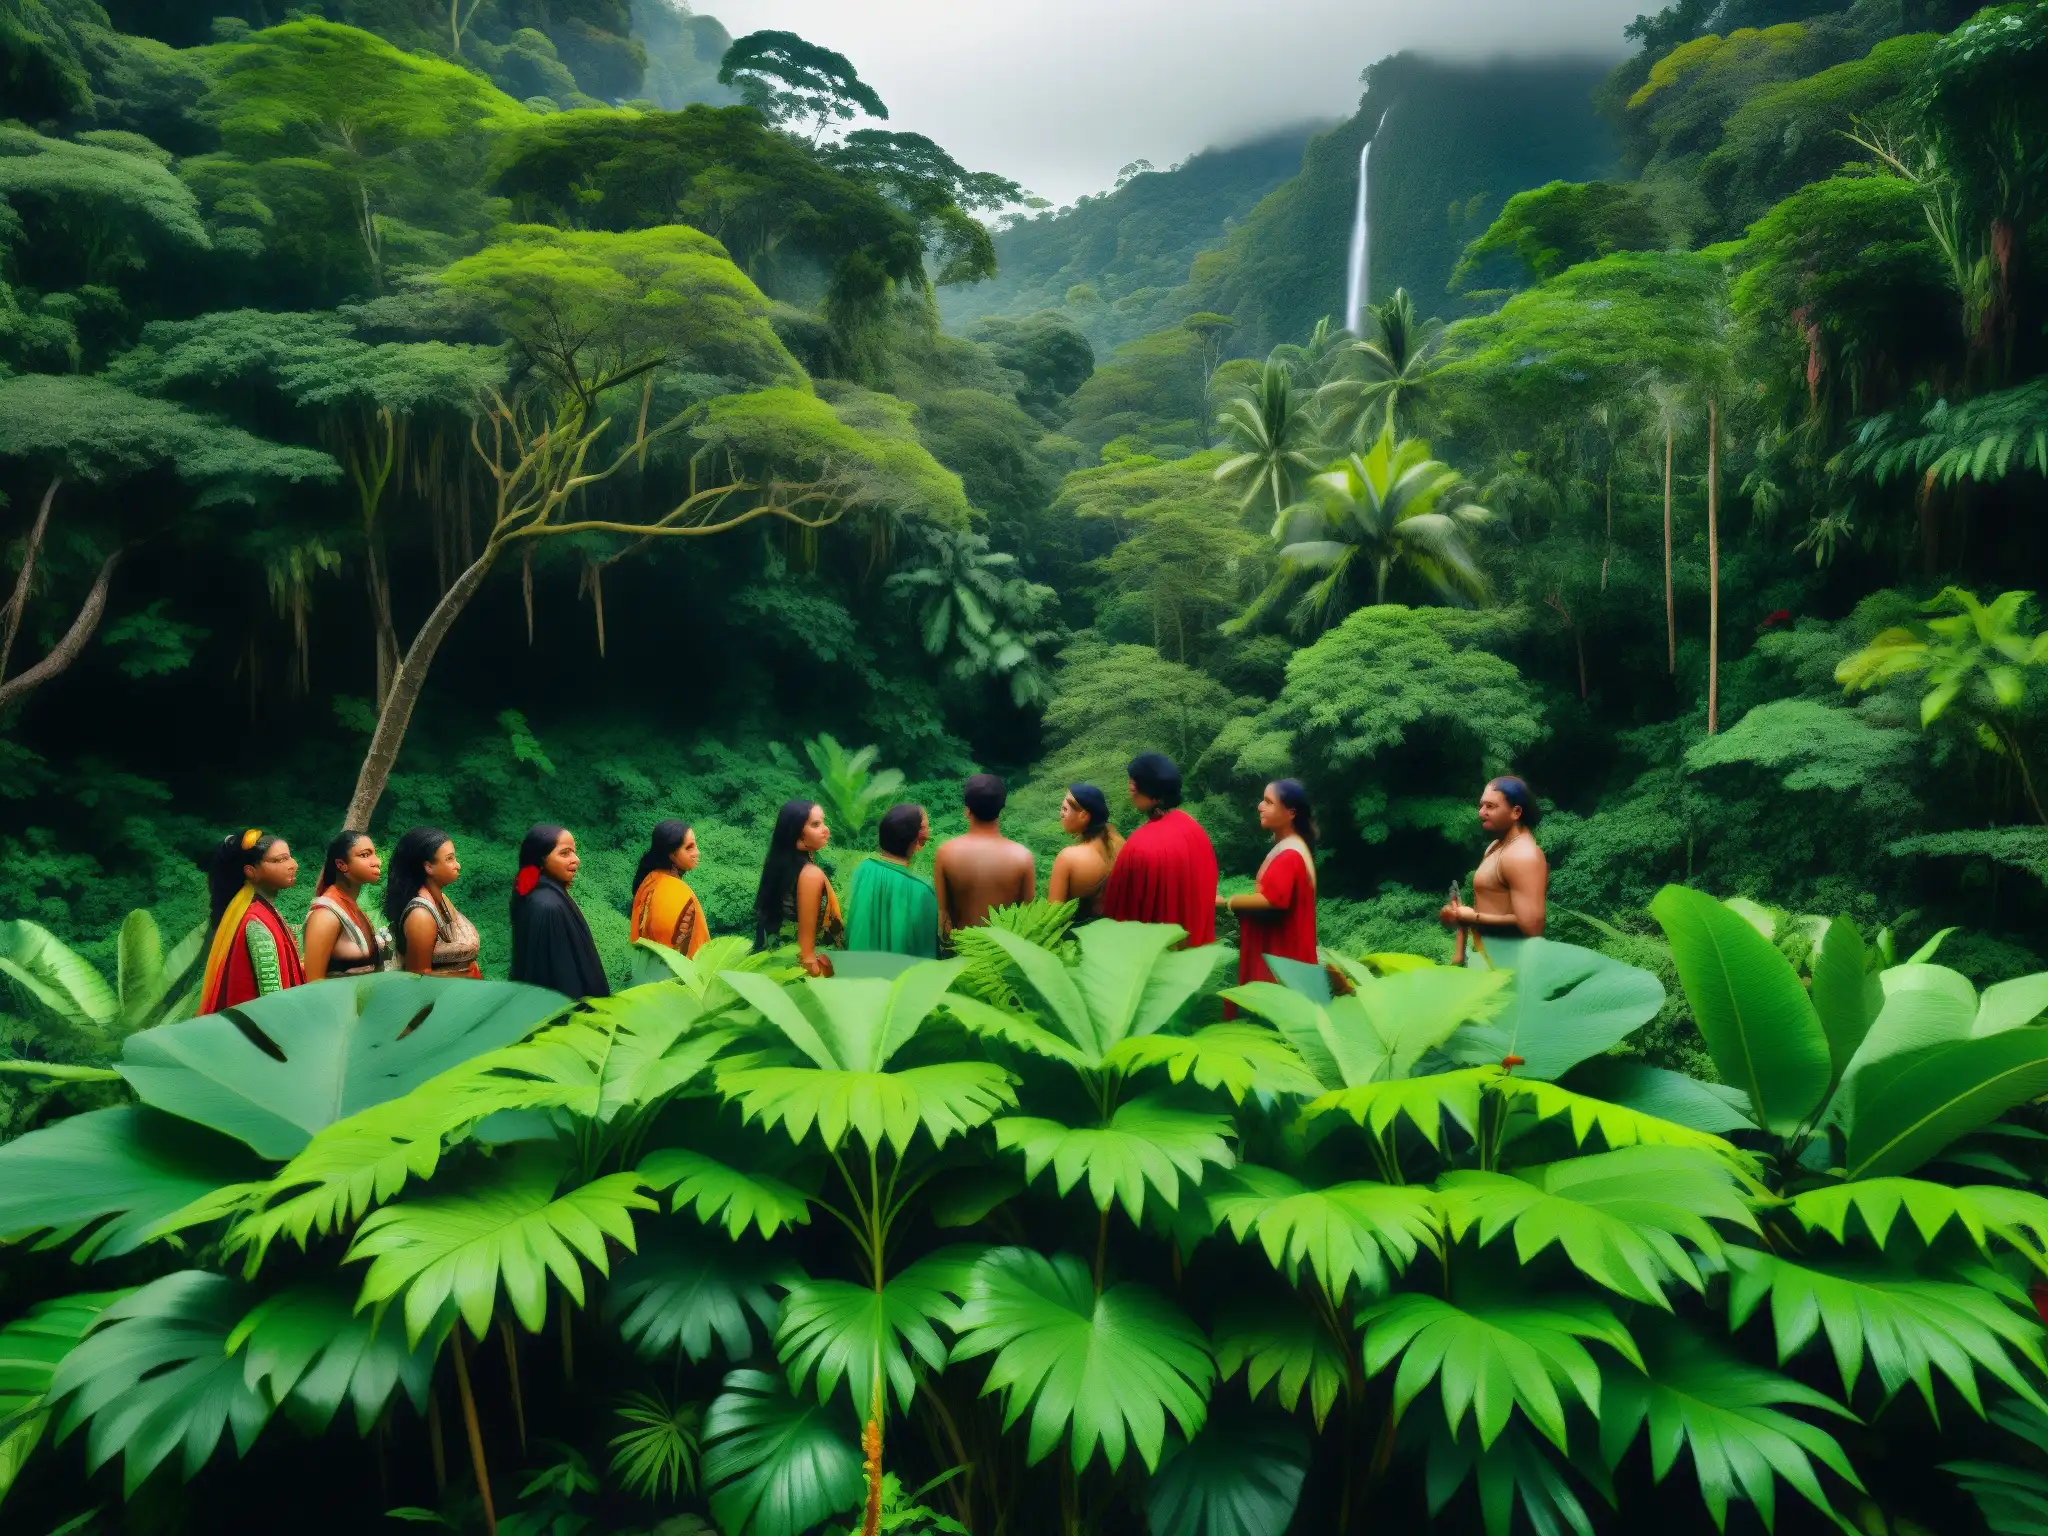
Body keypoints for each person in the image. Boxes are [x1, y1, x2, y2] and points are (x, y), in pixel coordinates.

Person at [1101, 752, 1218, 944]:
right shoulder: (1193, 829)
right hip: (1193, 947)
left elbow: (1120, 910)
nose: (1130, 792)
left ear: (1150, 793)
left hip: (1155, 954)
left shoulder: (1139, 846)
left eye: (1132, 786)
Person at [1221, 781, 1319, 995]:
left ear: (1290, 813)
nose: (1259, 806)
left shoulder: (1290, 854)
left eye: (1268, 802)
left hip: (1281, 960)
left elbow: (1272, 900)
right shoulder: (1290, 847)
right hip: (1284, 957)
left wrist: (1229, 902)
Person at [1440, 775, 1549, 963]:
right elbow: (1489, 905)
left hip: (1514, 967)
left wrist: (1474, 917)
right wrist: (1460, 916)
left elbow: (1532, 926)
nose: (1481, 813)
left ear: (1516, 812)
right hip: (1486, 960)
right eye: (1481, 805)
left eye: (1491, 806)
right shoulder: (1495, 847)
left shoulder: (1523, 855)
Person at [199, 828, 305, 1013]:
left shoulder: (262, 910)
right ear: (251, 871)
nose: (293, 864)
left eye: (289, 857)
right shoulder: (256, 922)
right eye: (279, 860)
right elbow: (272, 997)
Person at [932, 773, 1036, 944]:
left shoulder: (946, 852)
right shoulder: (1022, 857)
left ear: (967, 810)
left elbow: (943, 919)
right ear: (1001, 808)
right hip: (1005, 954)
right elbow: (1028, 919)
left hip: (962, 953)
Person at [510, 823, 609, 998]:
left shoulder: (534, 891)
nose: (576, 859)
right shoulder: (548, 907)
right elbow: (562, 974)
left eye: (574, 851)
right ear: (541, 860)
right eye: (565, 853)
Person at [753, 800, 843, 977]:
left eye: (823, 822)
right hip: (799, 970)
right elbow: (806, 953)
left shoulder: (780, 866)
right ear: (797, 833)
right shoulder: (810, 875)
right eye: (816, 824)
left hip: (775, 962)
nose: (826, 830)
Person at [385, 826, 481, 978]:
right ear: (428, 866)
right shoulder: (421, 916)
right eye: (449, 859)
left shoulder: (442, 900)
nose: (458, 865)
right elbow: (417, 980)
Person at [846, 803, 939, 958]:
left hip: (857, 973)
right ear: (917, 840)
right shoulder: (923, 890)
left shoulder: (864, 869)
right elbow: (926, 954)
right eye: (925, 828)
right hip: (899, 980)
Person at [303, 830, 387, 981]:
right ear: (341, 865)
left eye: (374, 853)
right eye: (364, 855)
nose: (377, 861)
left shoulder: (352, 907)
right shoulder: (325, 916)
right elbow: (313, 984)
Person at [629, 820, 707, 959]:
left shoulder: (651, 879)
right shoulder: (676, 892)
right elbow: (685, 954)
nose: (697, 852)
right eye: (689, 847)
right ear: (671, 855)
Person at [1047, 783, 1122, 923]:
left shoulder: (1068, 858)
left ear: (1083, 815)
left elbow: (1052, 920)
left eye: (1064, 809)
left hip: (1080, 939)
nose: (1060, 814)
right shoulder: (1118, 841)